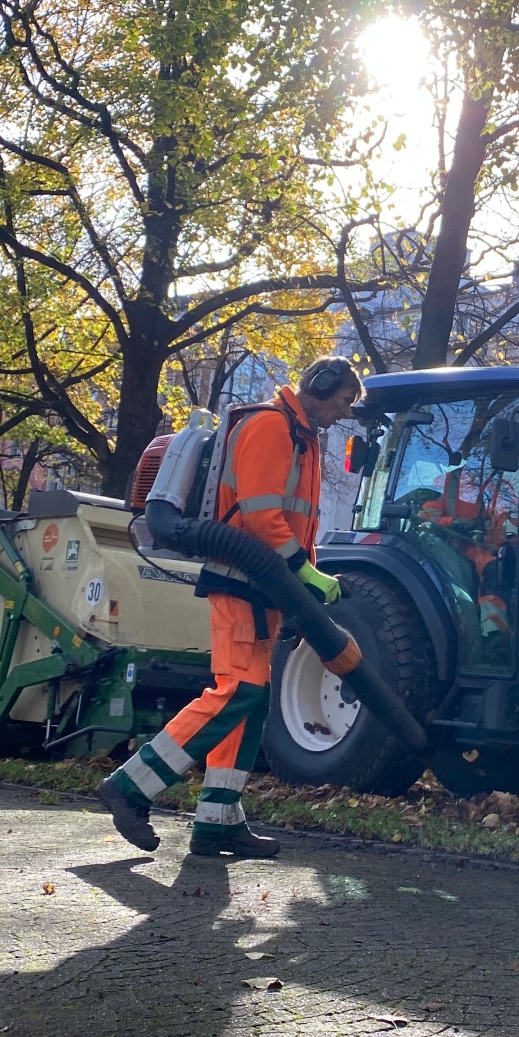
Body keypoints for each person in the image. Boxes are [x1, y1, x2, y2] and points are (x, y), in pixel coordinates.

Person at [97, 356, 364, 858]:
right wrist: (304, 575)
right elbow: (263, 518)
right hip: (241, 579)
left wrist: (301, 583)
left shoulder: (301, 438)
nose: (344, 412)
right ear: (322, 385)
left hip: (262, 587)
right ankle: (130, 786)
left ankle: (217, 820)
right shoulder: (271, 426)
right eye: (344, 399)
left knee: (253, 700)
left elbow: (291, 522)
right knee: (238, 690)